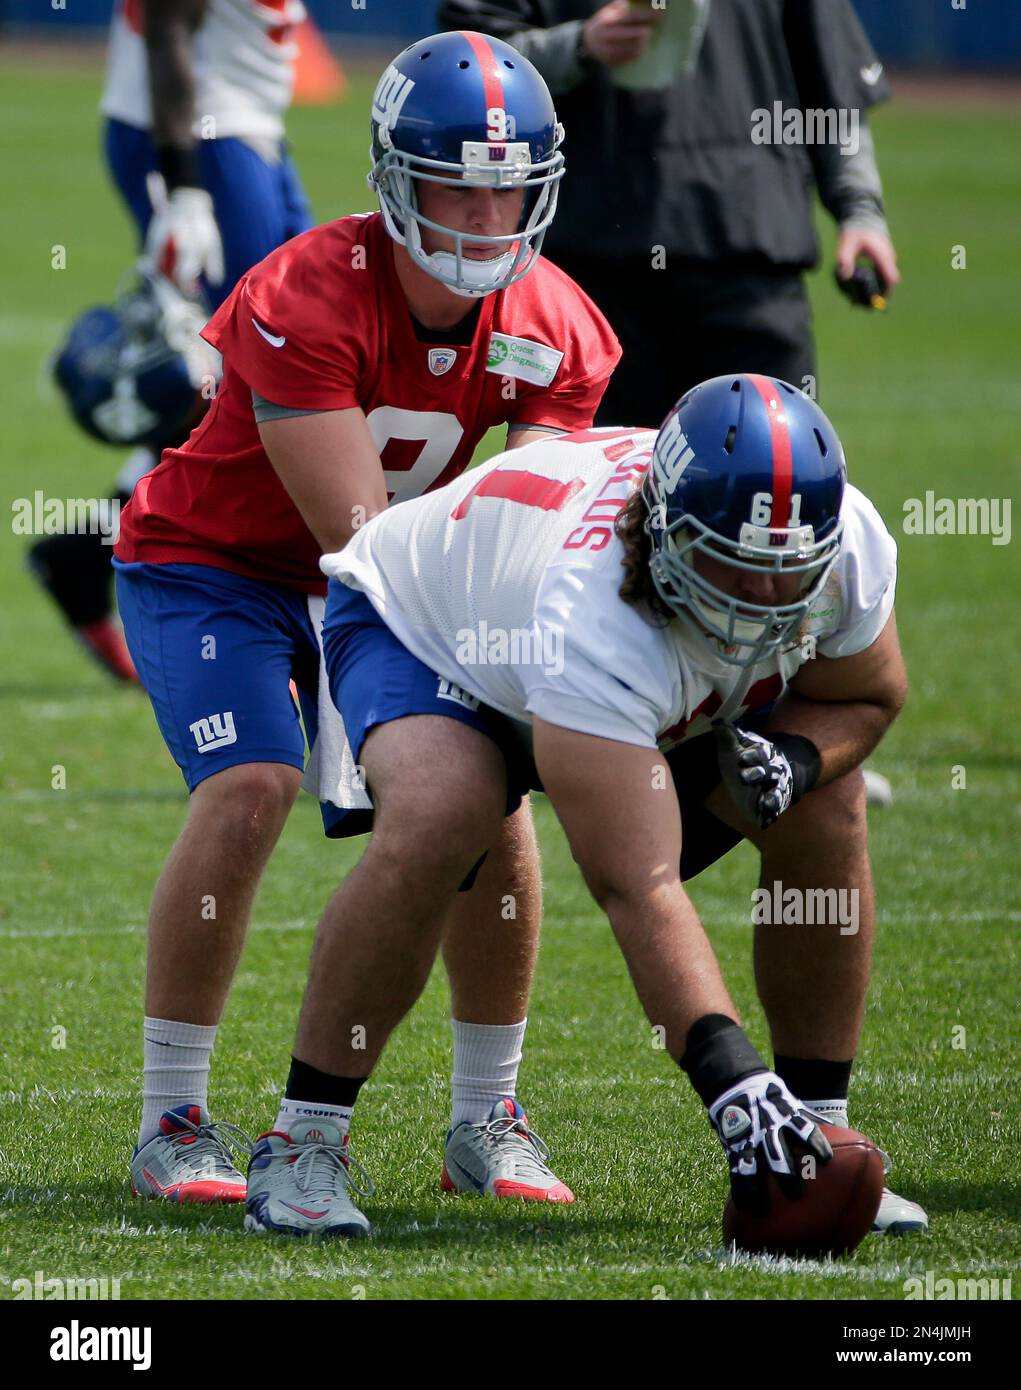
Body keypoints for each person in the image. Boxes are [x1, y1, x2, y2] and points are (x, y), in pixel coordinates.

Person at [113, 30, 621, 1208]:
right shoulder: (305, 292)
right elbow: (360, 543)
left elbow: (522, 535)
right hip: (219, 564)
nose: (486, 213)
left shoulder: (557, 320)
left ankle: (486, 1117)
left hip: (407, 574)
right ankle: (171, 1118)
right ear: (395, 177)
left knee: (487, 794)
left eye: (509, 185)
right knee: (252, 783)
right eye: (457, 179)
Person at [241, 373, 926, 1239]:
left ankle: (817, 1129)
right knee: (448, 809)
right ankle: (305, 1136)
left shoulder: (846, 542)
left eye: (781, 573)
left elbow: (865, 697)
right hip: (427, 625)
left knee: (822, 802)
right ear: (664, 528)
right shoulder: (593, 611)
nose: (754, 602)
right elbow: (636, 885)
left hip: (565, 641)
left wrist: (796, 758)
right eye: (727, 564)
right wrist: (735, 1090)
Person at [437, 0, 900, 424]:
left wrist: (861, 210)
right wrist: (578, 46)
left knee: (771, 480)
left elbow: (832, 82)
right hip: (592, 274)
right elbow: (466, 69)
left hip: (751, 256)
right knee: (604, 495)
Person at [30, 0, 313, 681]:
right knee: (249, 383)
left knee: (289, 362)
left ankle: (85, 550)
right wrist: (184, 188)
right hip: (204, 135)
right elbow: (165, 23)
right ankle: (190, 579)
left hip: (246, 127)